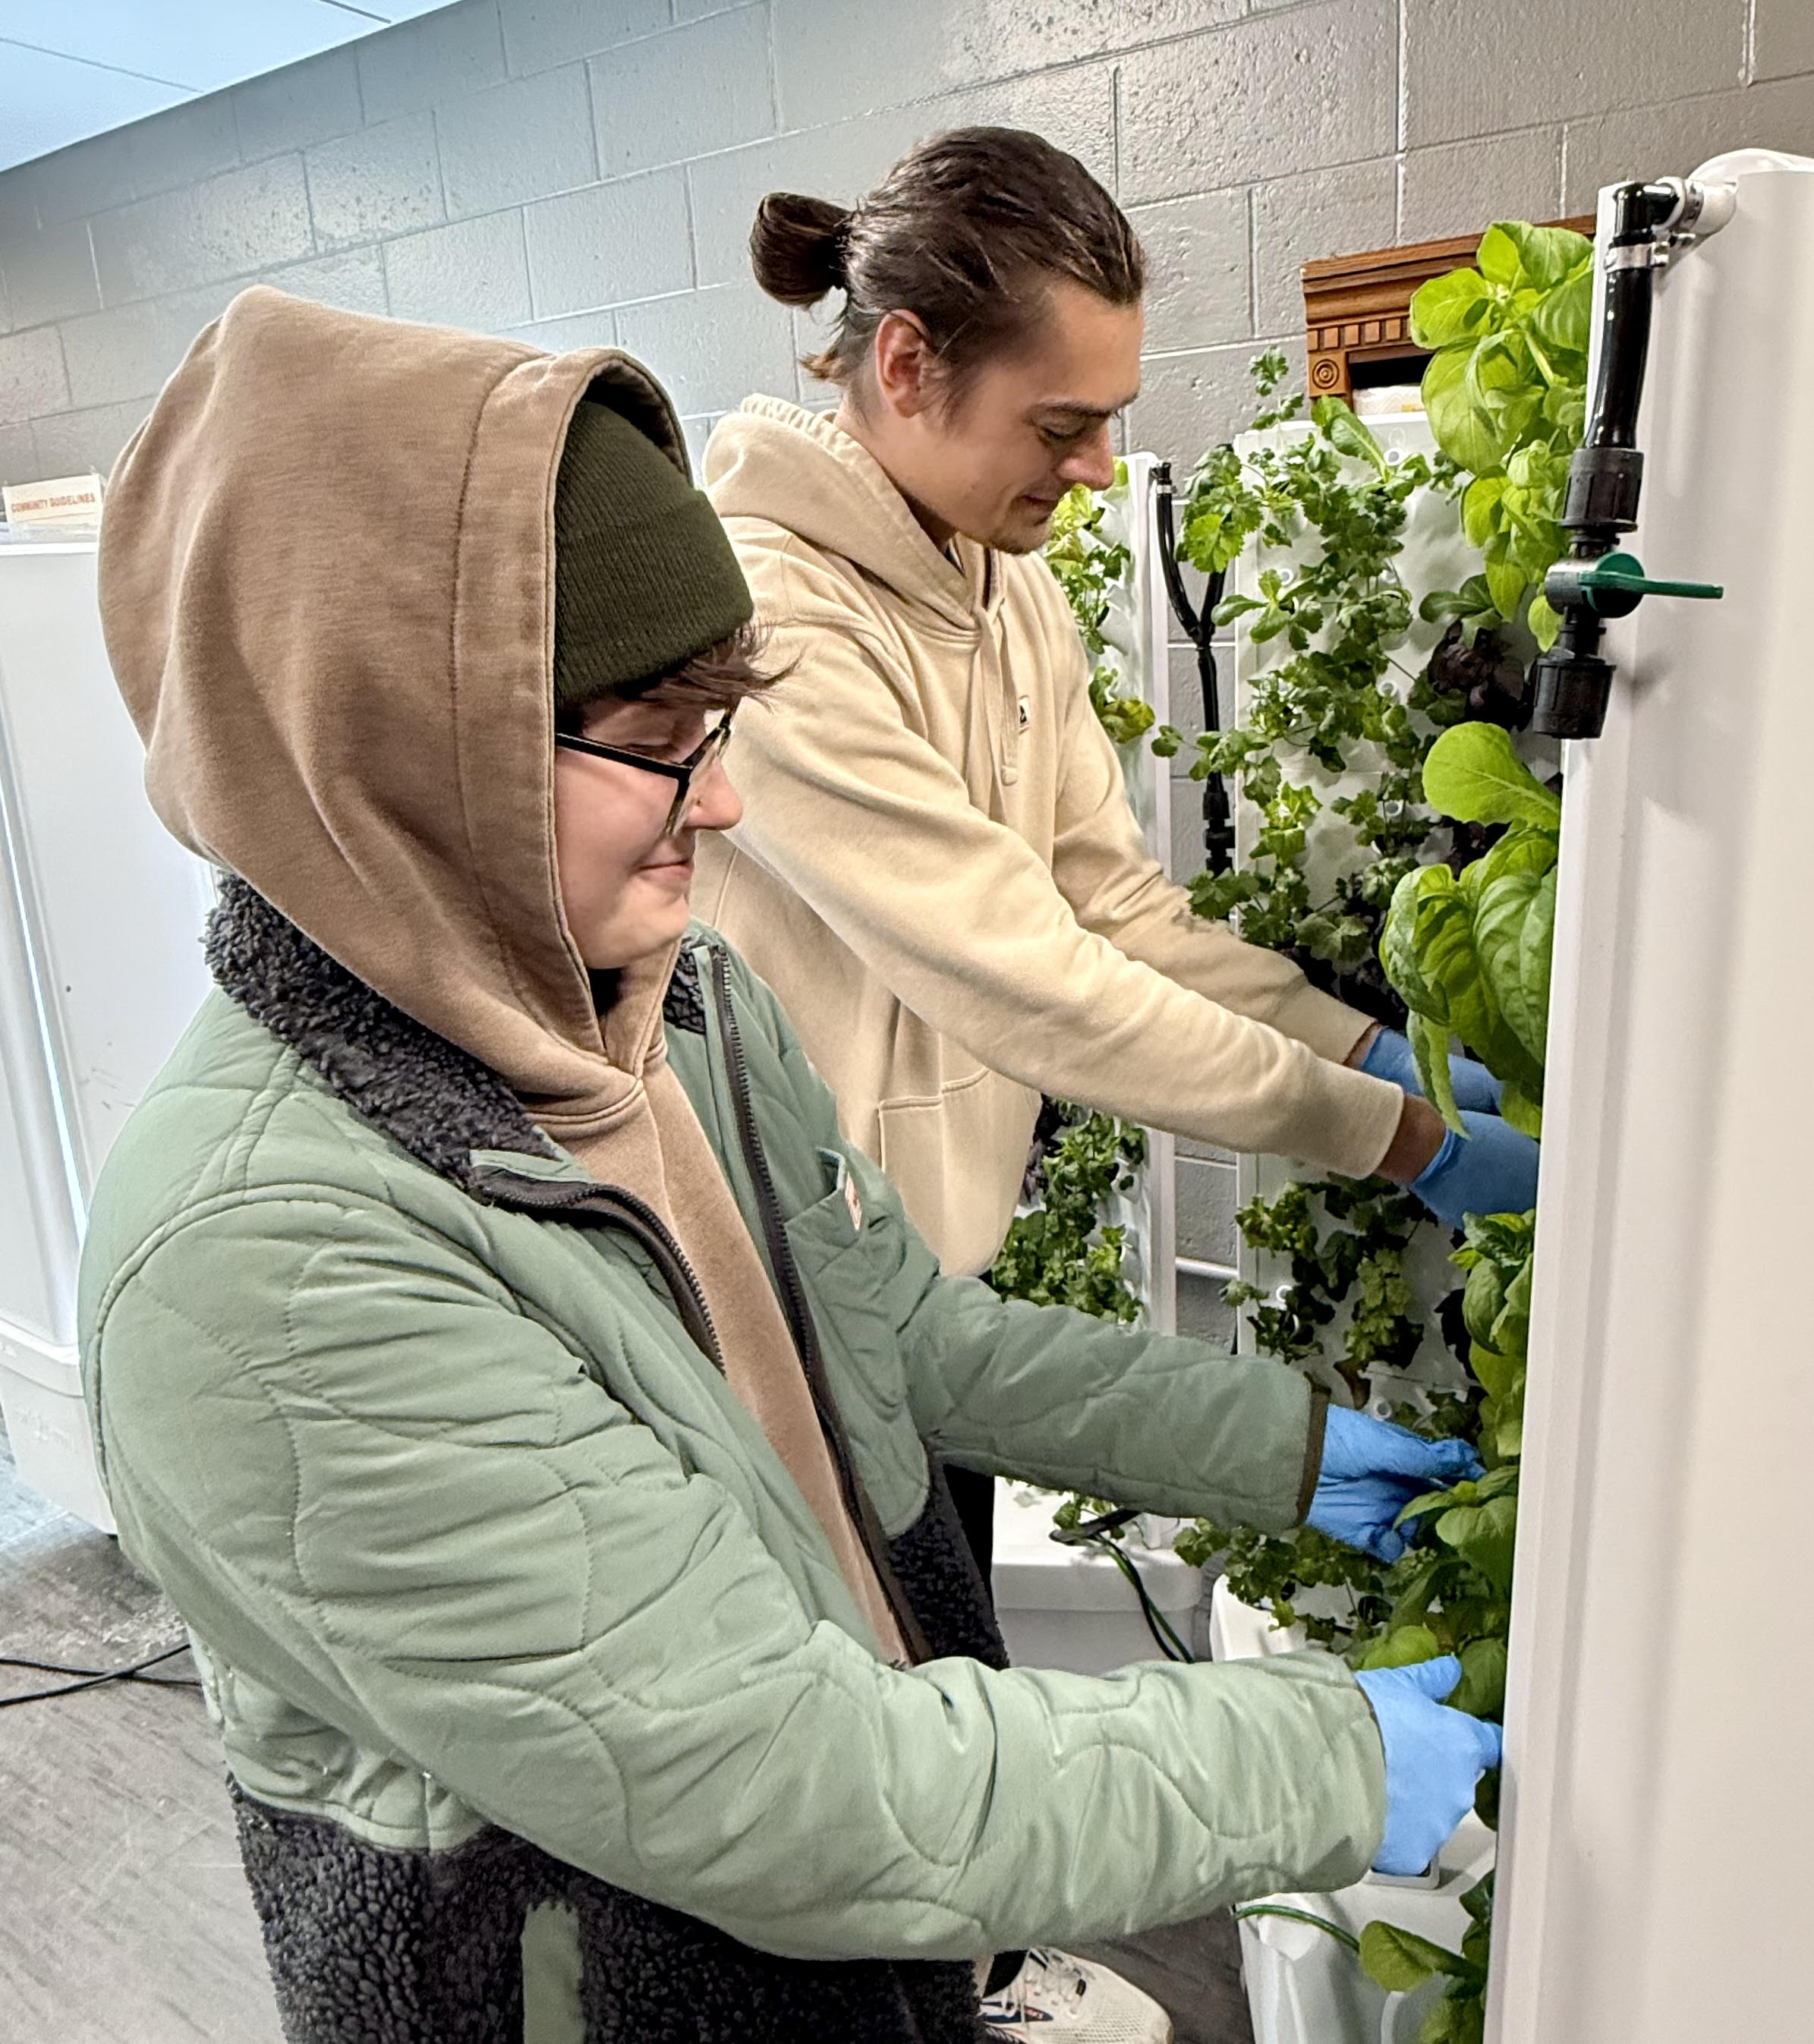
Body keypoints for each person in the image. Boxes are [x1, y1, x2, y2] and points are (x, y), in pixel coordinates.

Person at [82, 288, 1504, 2044]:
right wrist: (1319, 1753)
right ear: (393, 751)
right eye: (655, 746)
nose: (725, 806)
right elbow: (780, 1790)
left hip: (857, 1937)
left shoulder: (674, 1016)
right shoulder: (272, 1262)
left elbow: (913, 1348)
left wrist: (1282, 1451)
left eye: (717, 733)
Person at [696, 125, 1532, 1554]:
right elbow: (1022, 972)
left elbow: (1115, 912)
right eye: (1060, 423)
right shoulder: (773, 617)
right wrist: (1395, 1138)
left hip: (919, 1293)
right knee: (888, 1730)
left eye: (1111, 416)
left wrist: (1364, 1049)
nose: (1099, 468)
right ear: (904, 367)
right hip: (767, 1310)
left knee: (957, 1668)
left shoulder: (1008, 590)